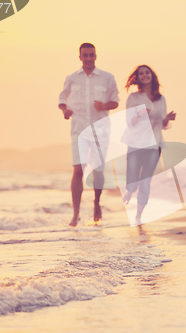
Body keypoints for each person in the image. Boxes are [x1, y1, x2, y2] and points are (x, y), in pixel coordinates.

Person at [58, 43, 119, 227]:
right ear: (80, 57)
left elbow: (115, 102)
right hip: (78, 130)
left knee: (98, 170)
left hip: (100, 130)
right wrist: (65, 111)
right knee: (78, 170)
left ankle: (96, 202)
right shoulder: (71, 78)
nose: (88, 58)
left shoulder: (107, 78)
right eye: (85, 55)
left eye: (91, 55)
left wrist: (105, 106)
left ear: (96, 56)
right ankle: (76, 214)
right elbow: (62, 100)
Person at [121, 65, 176, 225]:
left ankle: (138, 216)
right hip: (135, 143)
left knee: (145, 181)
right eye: (141, 73)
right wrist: (138, 114)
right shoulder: (133, 98)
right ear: (137, 78)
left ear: (152, 76)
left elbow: (163, 124)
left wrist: (167, 119)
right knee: (132, 180)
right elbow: (129, 122)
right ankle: (129, 191)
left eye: (147, 72)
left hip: (154, 144)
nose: (145, 75)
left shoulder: (161, 99)